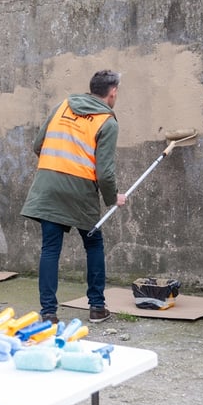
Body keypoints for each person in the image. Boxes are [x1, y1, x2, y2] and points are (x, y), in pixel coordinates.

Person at [21, 70, 126, 324]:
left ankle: (48, 313)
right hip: (80, 191)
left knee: (50, 249)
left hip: (47, 185)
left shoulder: (62, 106)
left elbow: (38, 144)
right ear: (112, 92)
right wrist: (114, 199)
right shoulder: (107, 122)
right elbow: (105, 173)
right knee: (93, 244)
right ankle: (97, 307)